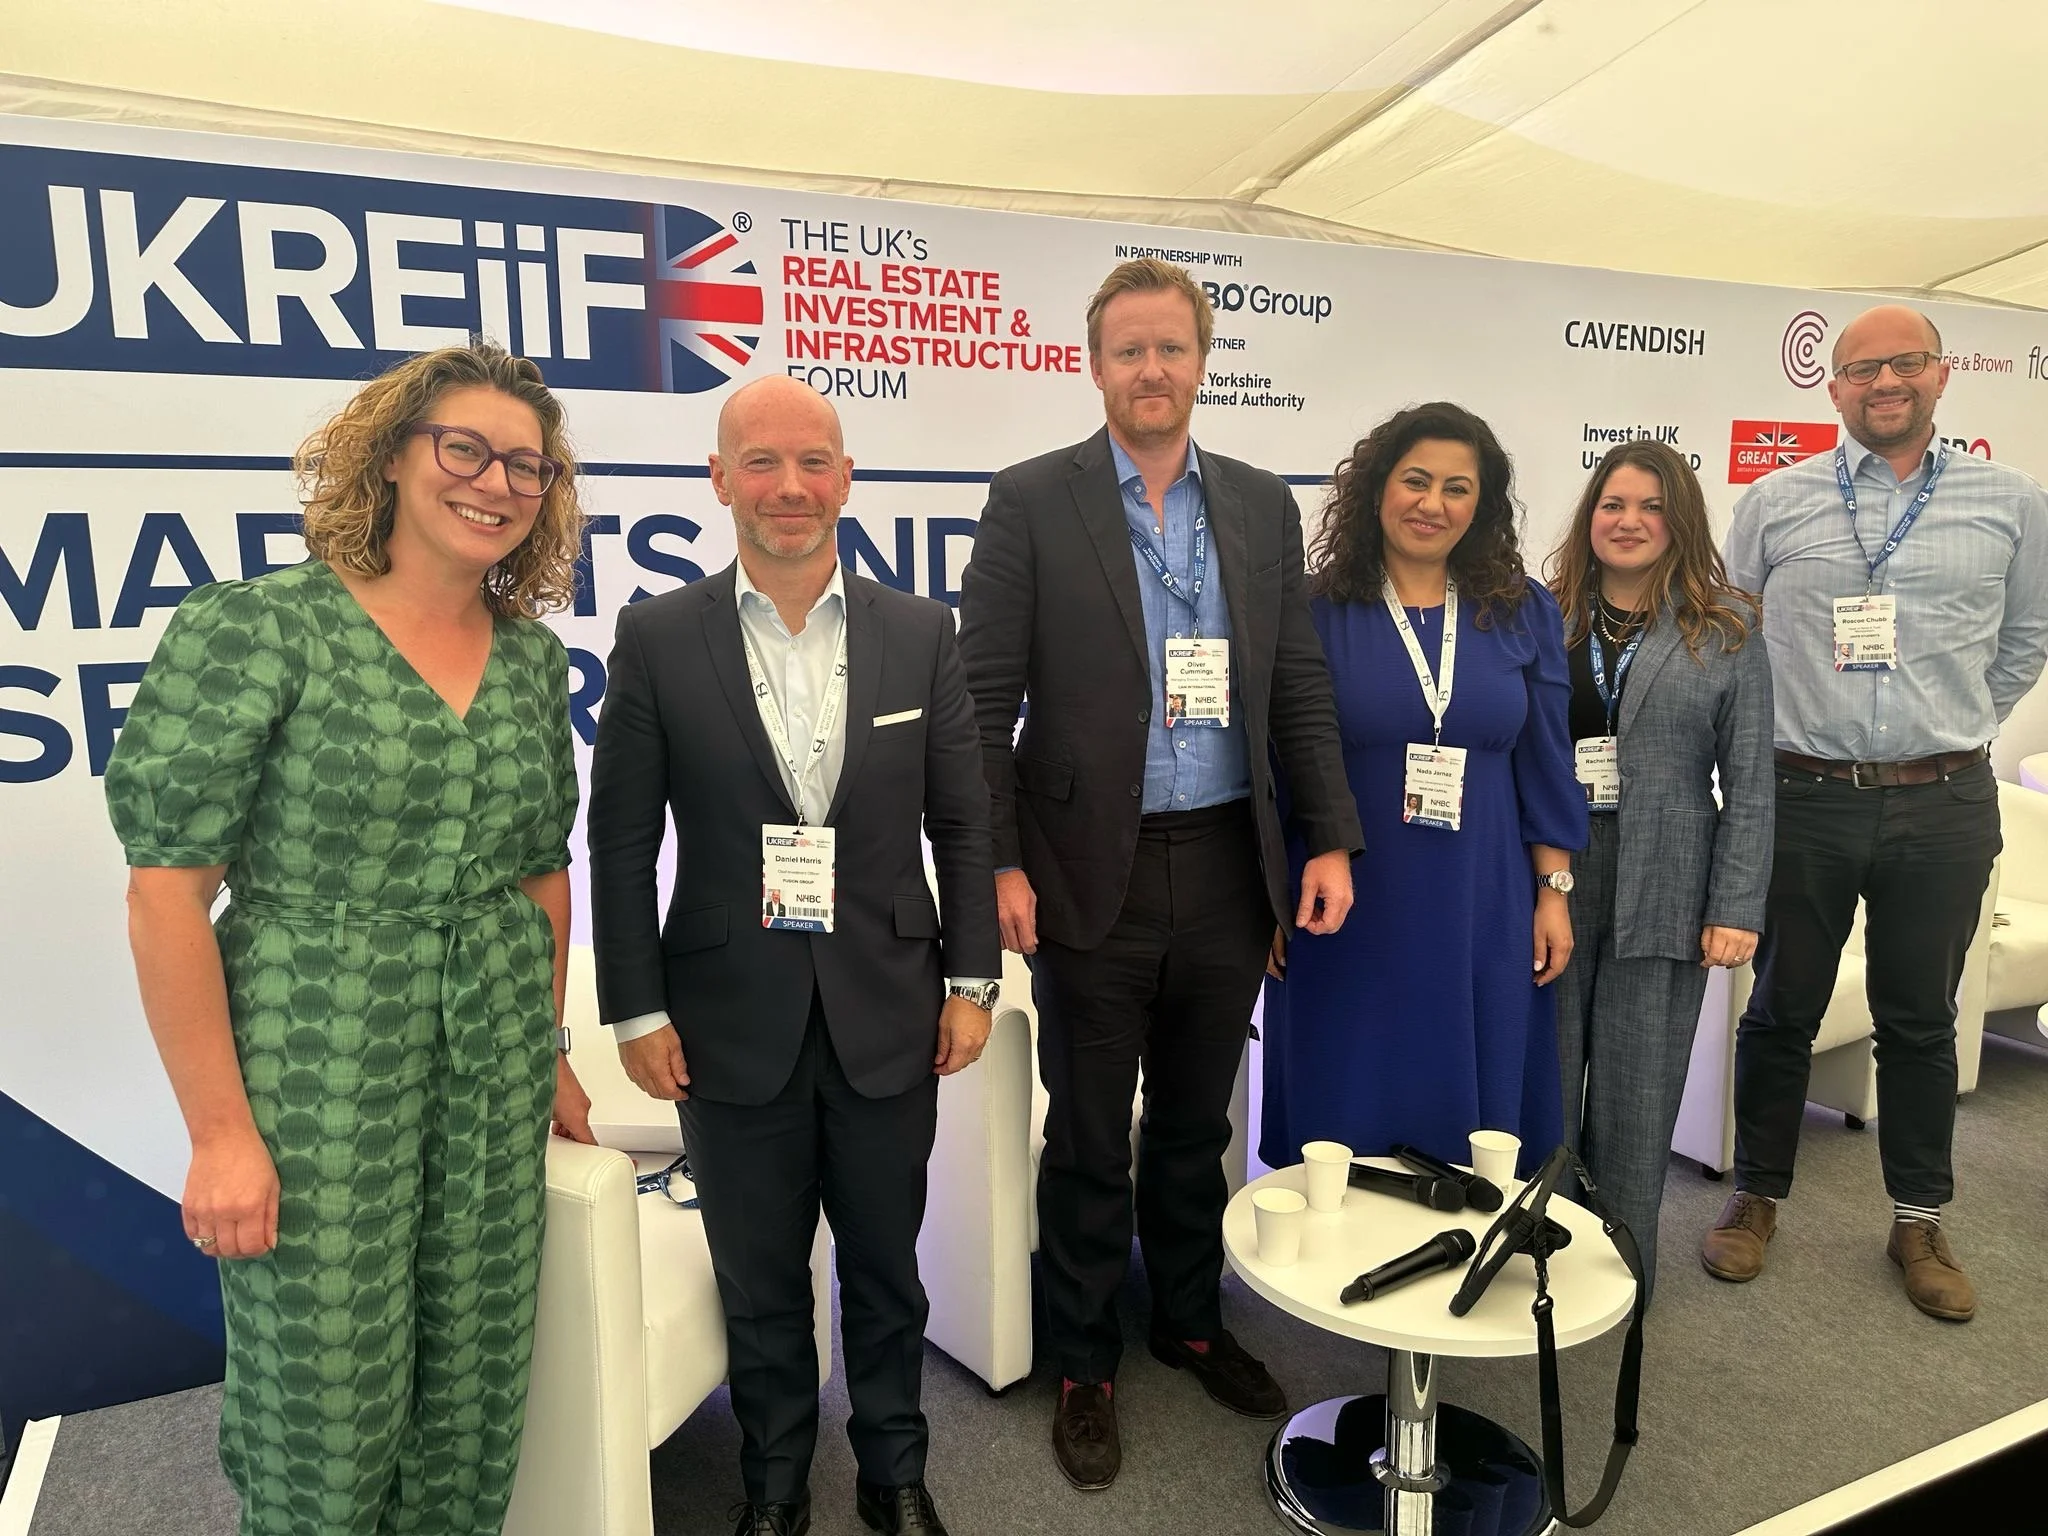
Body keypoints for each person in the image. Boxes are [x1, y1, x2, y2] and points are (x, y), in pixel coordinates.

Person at [105, 340, 593, 1536]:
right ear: (388, 458)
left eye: (525, 466)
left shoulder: (531, 663)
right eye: (464, 448)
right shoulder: (257, 630)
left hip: (491, 1052)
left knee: (474, 1373)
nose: (494, 482)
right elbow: (166, 894)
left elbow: (539, 870)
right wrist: (220, 1135)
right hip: (317, 1051)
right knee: (325, 1386)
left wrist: (550, 1051)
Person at [957, 258, 1361, 1492]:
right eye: (1127, 350)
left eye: (1170, 349)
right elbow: (980, 706)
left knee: (1194, 1120)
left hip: (1231, 863)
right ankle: (1084, 1358)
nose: (1150, 370)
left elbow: (1292, 680)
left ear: (1201, 360)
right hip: (1088, 870)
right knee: (1085, 1134)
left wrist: (1327, 834)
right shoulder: (1030, 500)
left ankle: (1185, 1317)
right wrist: (997, 865)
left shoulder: (1254, 504)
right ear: (1095, 365)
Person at [588, 376, 999, 1536]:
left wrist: (972, 982)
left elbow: (964, 822)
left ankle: (892, 1472)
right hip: (724, 1019)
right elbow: (620, 841)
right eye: (760, 463)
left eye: (812, 462)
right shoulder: (658, 637)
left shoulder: (920, 632)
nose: (789, 487)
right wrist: (634, 1011)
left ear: (845, 477)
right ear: (719, 481)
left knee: (884, 1270)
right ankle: (771, 1482)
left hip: (890, 1008)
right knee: (758, 1279)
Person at [1706, 305, 2048, 1321]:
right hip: (1801, 794)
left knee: (1917, 1020)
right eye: (1862, 369)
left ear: (1940, 376)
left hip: (1942, 801)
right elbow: (1734, 635)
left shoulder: (2011, 502)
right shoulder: (1773, 500)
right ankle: (1754, 1194)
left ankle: (1917, 1216)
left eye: (1903, 364)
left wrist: (1949, 728)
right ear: (1832, 387)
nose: (1882, 382)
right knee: (1779, 1009)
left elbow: (2025, 638)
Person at [1261, 403, 1585, 1180]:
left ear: (1482, 505)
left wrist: (1553, 891)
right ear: (1376, 490)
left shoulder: (1520, 611)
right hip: (1345, 902)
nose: (1432, 504)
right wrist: (1264, 899)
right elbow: (1277, 766)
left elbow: (1545, 763)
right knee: (1346, 1107)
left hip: (1484, 900)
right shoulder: (1313, 612)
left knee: (1472, 1123)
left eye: (1456, 488)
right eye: (1415, 480)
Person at [1544, 439, 1774, 1296]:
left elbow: (1750, 780)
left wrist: (1737, 903)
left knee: (1640, 1091)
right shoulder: (1545, 614)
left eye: (1650, 506)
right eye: (1613, 504)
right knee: (1548, 1080)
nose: (1629, 521)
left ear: (1679, 520)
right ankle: (1546, 1252)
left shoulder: (1727, 628)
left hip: (1670, 882)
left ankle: (1618, 1265)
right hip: (1553, 874)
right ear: (1590, 515)